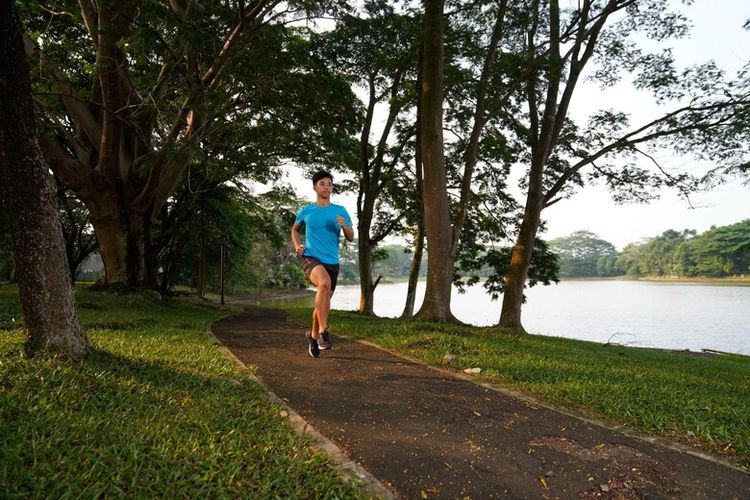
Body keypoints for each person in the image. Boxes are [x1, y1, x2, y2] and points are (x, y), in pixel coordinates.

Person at [291, 170, 354, 358]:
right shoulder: (306, 210)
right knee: (324, 284)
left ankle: (312, 335)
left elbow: (351, 237)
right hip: (311, 258)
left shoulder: (340, 211)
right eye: (322, 184)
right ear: (315, 187)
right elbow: (294, 230)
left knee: (323, 302)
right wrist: (297, 246)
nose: (326, 187)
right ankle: (324, 332)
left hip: (332, 262)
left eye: (329, 184)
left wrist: (344, 226)